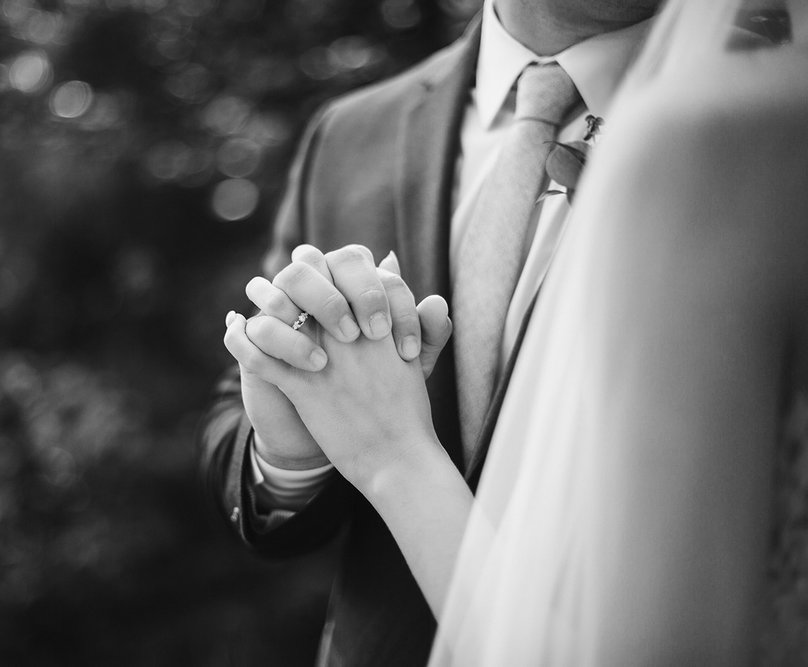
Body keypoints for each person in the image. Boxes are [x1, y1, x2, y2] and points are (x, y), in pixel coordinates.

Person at [224, 0, 808, 662]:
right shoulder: (352, 131)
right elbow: (239, 437)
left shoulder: (749, 147)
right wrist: (292, 450)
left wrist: (390, 450)